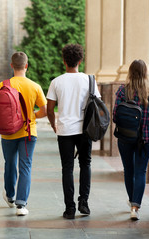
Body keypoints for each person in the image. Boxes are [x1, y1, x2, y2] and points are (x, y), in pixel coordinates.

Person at [46, 44, 100, 219]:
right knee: (86, 164)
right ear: (80, 60)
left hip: (65, 130)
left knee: (67, 168)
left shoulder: (56, 82)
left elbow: (49, 108)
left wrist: (54, 124)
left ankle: (70, 208)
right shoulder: (89, 80)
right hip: (85, 130)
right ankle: (83, 202)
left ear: (64, 61)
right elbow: (97, 105)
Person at [0, 52, 47, 216]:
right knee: (25, 166)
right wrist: (33, 115)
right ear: (26, 66)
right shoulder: (35, 86)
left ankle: (10, 196)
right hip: (28, 132)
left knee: (9, 164)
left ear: (11, 66)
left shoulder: (2, 85)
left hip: (8, 133)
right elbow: (45, 110)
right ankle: (21, 205)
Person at [113, 59, 149, 220]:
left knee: (129, 170)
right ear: (146, 72)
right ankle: (135, 206)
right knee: (141, 171)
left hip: (126, 137)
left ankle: (132, 200)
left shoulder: (122, 91)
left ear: (130, 73)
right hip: (146, 138)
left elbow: (115, 116)